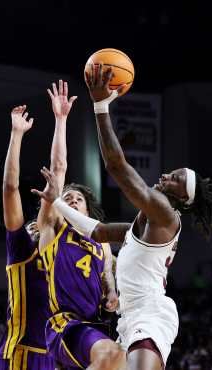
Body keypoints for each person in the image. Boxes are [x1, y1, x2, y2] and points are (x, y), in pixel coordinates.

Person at [32, 63, 212, 370]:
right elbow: (97, 231)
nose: (166, 174)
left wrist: (100, 107)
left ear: (182, 198)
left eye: (175, 177)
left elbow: (117, 166)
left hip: (149, 314)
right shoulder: (146, 223)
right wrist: (57, 203)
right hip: (130, 318)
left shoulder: (165, 213)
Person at [33, 81, 125, 370]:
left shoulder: (102, 243)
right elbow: (58, 169)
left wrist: (111, 292)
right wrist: (61, 120)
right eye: (67, 198)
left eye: (78, 199)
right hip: (64, 325)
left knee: (125, 362)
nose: (72, 200)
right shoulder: (53, 229)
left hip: (95, 325)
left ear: (87, 209)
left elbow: (108, 275)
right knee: (112, 356)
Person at [0, 105, 55, 369]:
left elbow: (58, 178)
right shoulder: (22, 248)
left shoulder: (63, 259)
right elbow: (10, 188)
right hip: (22, 353)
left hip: (55, 357)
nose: (35, 228)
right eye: (32, 227)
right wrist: (16, 134)